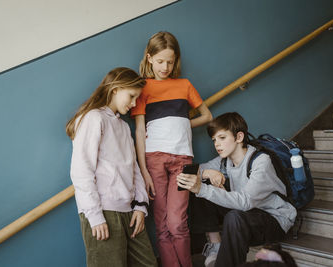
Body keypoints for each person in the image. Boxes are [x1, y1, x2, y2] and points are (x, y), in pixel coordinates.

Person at [131, 31, 212, 267]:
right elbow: (138, 130)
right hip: (154, 159)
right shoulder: (142, 87)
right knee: (162, 223)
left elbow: (207, 116)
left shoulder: (184, 85)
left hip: (183, 160)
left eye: (170, 61)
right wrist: (144, 171)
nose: (165, 67)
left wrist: (183, 122)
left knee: (178, 222)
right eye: (160, 61)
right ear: (149, 58)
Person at [177, 112, 297, 267]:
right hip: (248, 213)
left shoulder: (261, 161)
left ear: (239, 137)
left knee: (230, 214)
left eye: (222, 138)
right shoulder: (223, 160)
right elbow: (189, 172)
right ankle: (216, 246)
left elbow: (245, 202)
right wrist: (206, 173)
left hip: (274, 218)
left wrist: (202, 188)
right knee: (196, 187)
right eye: (214, 140)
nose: (216, 144)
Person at [66, 67, 157, 267]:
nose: (134, 104)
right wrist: (95, 216)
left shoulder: (124, 127)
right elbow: (81, 170)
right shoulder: (93, 118)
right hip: (103, 212)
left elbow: (134, 170)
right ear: (115, 88)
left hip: (129, 212)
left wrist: (141, 206)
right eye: (132, 96)